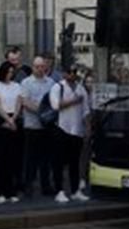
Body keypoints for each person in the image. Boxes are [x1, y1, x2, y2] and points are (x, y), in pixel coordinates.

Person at [19, 55, 58, 199]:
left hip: (47, 126)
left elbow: (54, 100)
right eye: (37, 67)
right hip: (32, 126)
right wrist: (42, 111)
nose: (40, 69)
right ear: (33, 67)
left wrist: (48, 112)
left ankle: (46, 186)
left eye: (42, 66)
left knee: (46, 159)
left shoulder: (51, 82)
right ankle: (28, 186)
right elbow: (25, 102)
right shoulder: (26, 82)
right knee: (30, 158)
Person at [51, 67, 92, 202]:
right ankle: (59, 191)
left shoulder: (81, 89)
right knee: (59, 162)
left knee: (75, 162)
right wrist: (74, 101)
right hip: (61, 128)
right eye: (70, 72)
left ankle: (75, 190)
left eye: (75, 72)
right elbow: (55, 105)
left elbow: (86, 110)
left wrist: (88, 128)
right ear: (64, 74)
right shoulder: (58, 87)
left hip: (77, 130)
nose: (72, 75)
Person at [0, 62, 25, 203]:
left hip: (13, 118)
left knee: (13, 158)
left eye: (12, 72)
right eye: (8, 71)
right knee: (0, 158)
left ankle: (11, 191)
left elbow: (19, 102)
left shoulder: (17, 86)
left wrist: (13, 118)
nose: (10, 74)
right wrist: (7, 120)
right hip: (0, 119)